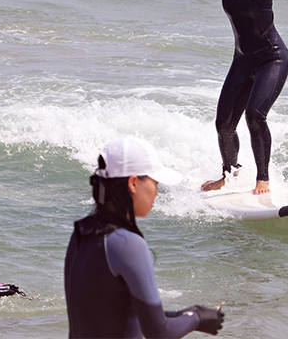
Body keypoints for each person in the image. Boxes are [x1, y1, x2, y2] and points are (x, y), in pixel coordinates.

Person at [147, 0, 288, 195]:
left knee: (255, 115)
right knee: (223, 124)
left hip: (273, 57)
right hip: (243, 60)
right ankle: (229, 175)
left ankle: (263, 180)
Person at [64, 137, 225, 338]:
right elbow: (158, 332)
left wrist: (183, 314)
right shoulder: (127, 243)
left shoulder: (82, 233)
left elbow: (112, 315)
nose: (156, 192)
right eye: (154, 182)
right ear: (133, 183)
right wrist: (196, 318)